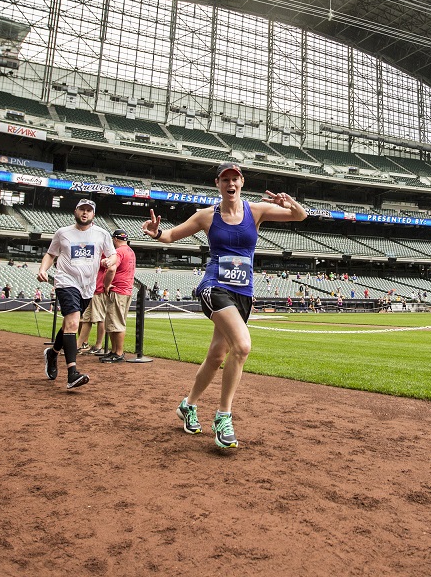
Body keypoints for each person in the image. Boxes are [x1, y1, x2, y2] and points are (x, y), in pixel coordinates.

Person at [142, 162, 306, 449]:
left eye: (236, 178)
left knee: (218, 355)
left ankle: (188, 405)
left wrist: (289, 204)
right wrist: (156, 232)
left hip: (244, 293)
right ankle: (223, 415)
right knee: (242, 346)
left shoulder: (257, 211)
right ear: (218, 183)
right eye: (225, 179)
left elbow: (300, 217)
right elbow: (169, 236)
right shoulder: (206, 216)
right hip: (215, 286)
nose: (231, 183)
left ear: (242, 182)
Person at [36, 199, 115, 390]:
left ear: (93, 214)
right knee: (73, 323)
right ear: (76, 211)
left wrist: (109, 262)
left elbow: (113, 255)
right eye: (82, 209)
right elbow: (50, 254)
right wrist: (43, 269)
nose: (85, 213)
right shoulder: (62, 233)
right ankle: (72, 373)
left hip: (87, 286)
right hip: (66, 281)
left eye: (89, 210)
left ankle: (53, 353)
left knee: (67, 325)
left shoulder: (102, 234)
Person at [101, 229, 136, 362]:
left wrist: (106, 285)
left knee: (117, 322)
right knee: (113, 322)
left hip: (118, 290)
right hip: (125, 289)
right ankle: (114, 351)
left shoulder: (118, 252)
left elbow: (112, 269)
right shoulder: (130, 251)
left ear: (115, 239)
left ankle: (119, 352)